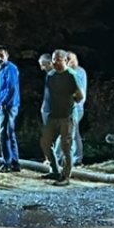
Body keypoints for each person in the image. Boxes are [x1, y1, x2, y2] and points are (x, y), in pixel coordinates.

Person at [41, 49, 84, 186]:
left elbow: (80, 96)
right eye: (54, 59)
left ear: (65, 61)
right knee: (46, 143)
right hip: (53, 116)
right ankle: (54, 170)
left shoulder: (72, 75)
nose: (55, 62)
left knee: (66, 147)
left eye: (58, 59)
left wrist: (70, 102)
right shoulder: (50, 75)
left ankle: (65, 176)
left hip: (67, 116)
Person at [0, 47, 21, 172]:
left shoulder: (10, 68)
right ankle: (14, 163)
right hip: (5, 105)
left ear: (7, 55)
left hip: (9, 106)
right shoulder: (1, 70)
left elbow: (12, 87)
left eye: (1, 55)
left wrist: (4, 103)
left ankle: (7, 163)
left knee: (4, 135)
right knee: (9, 134)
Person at [65, 51, 87, 165]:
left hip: (76, 108)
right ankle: (76, 159)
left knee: (69, 133)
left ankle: (74, 159)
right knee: (74, 133)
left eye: (70, 59)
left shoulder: (78, 72)